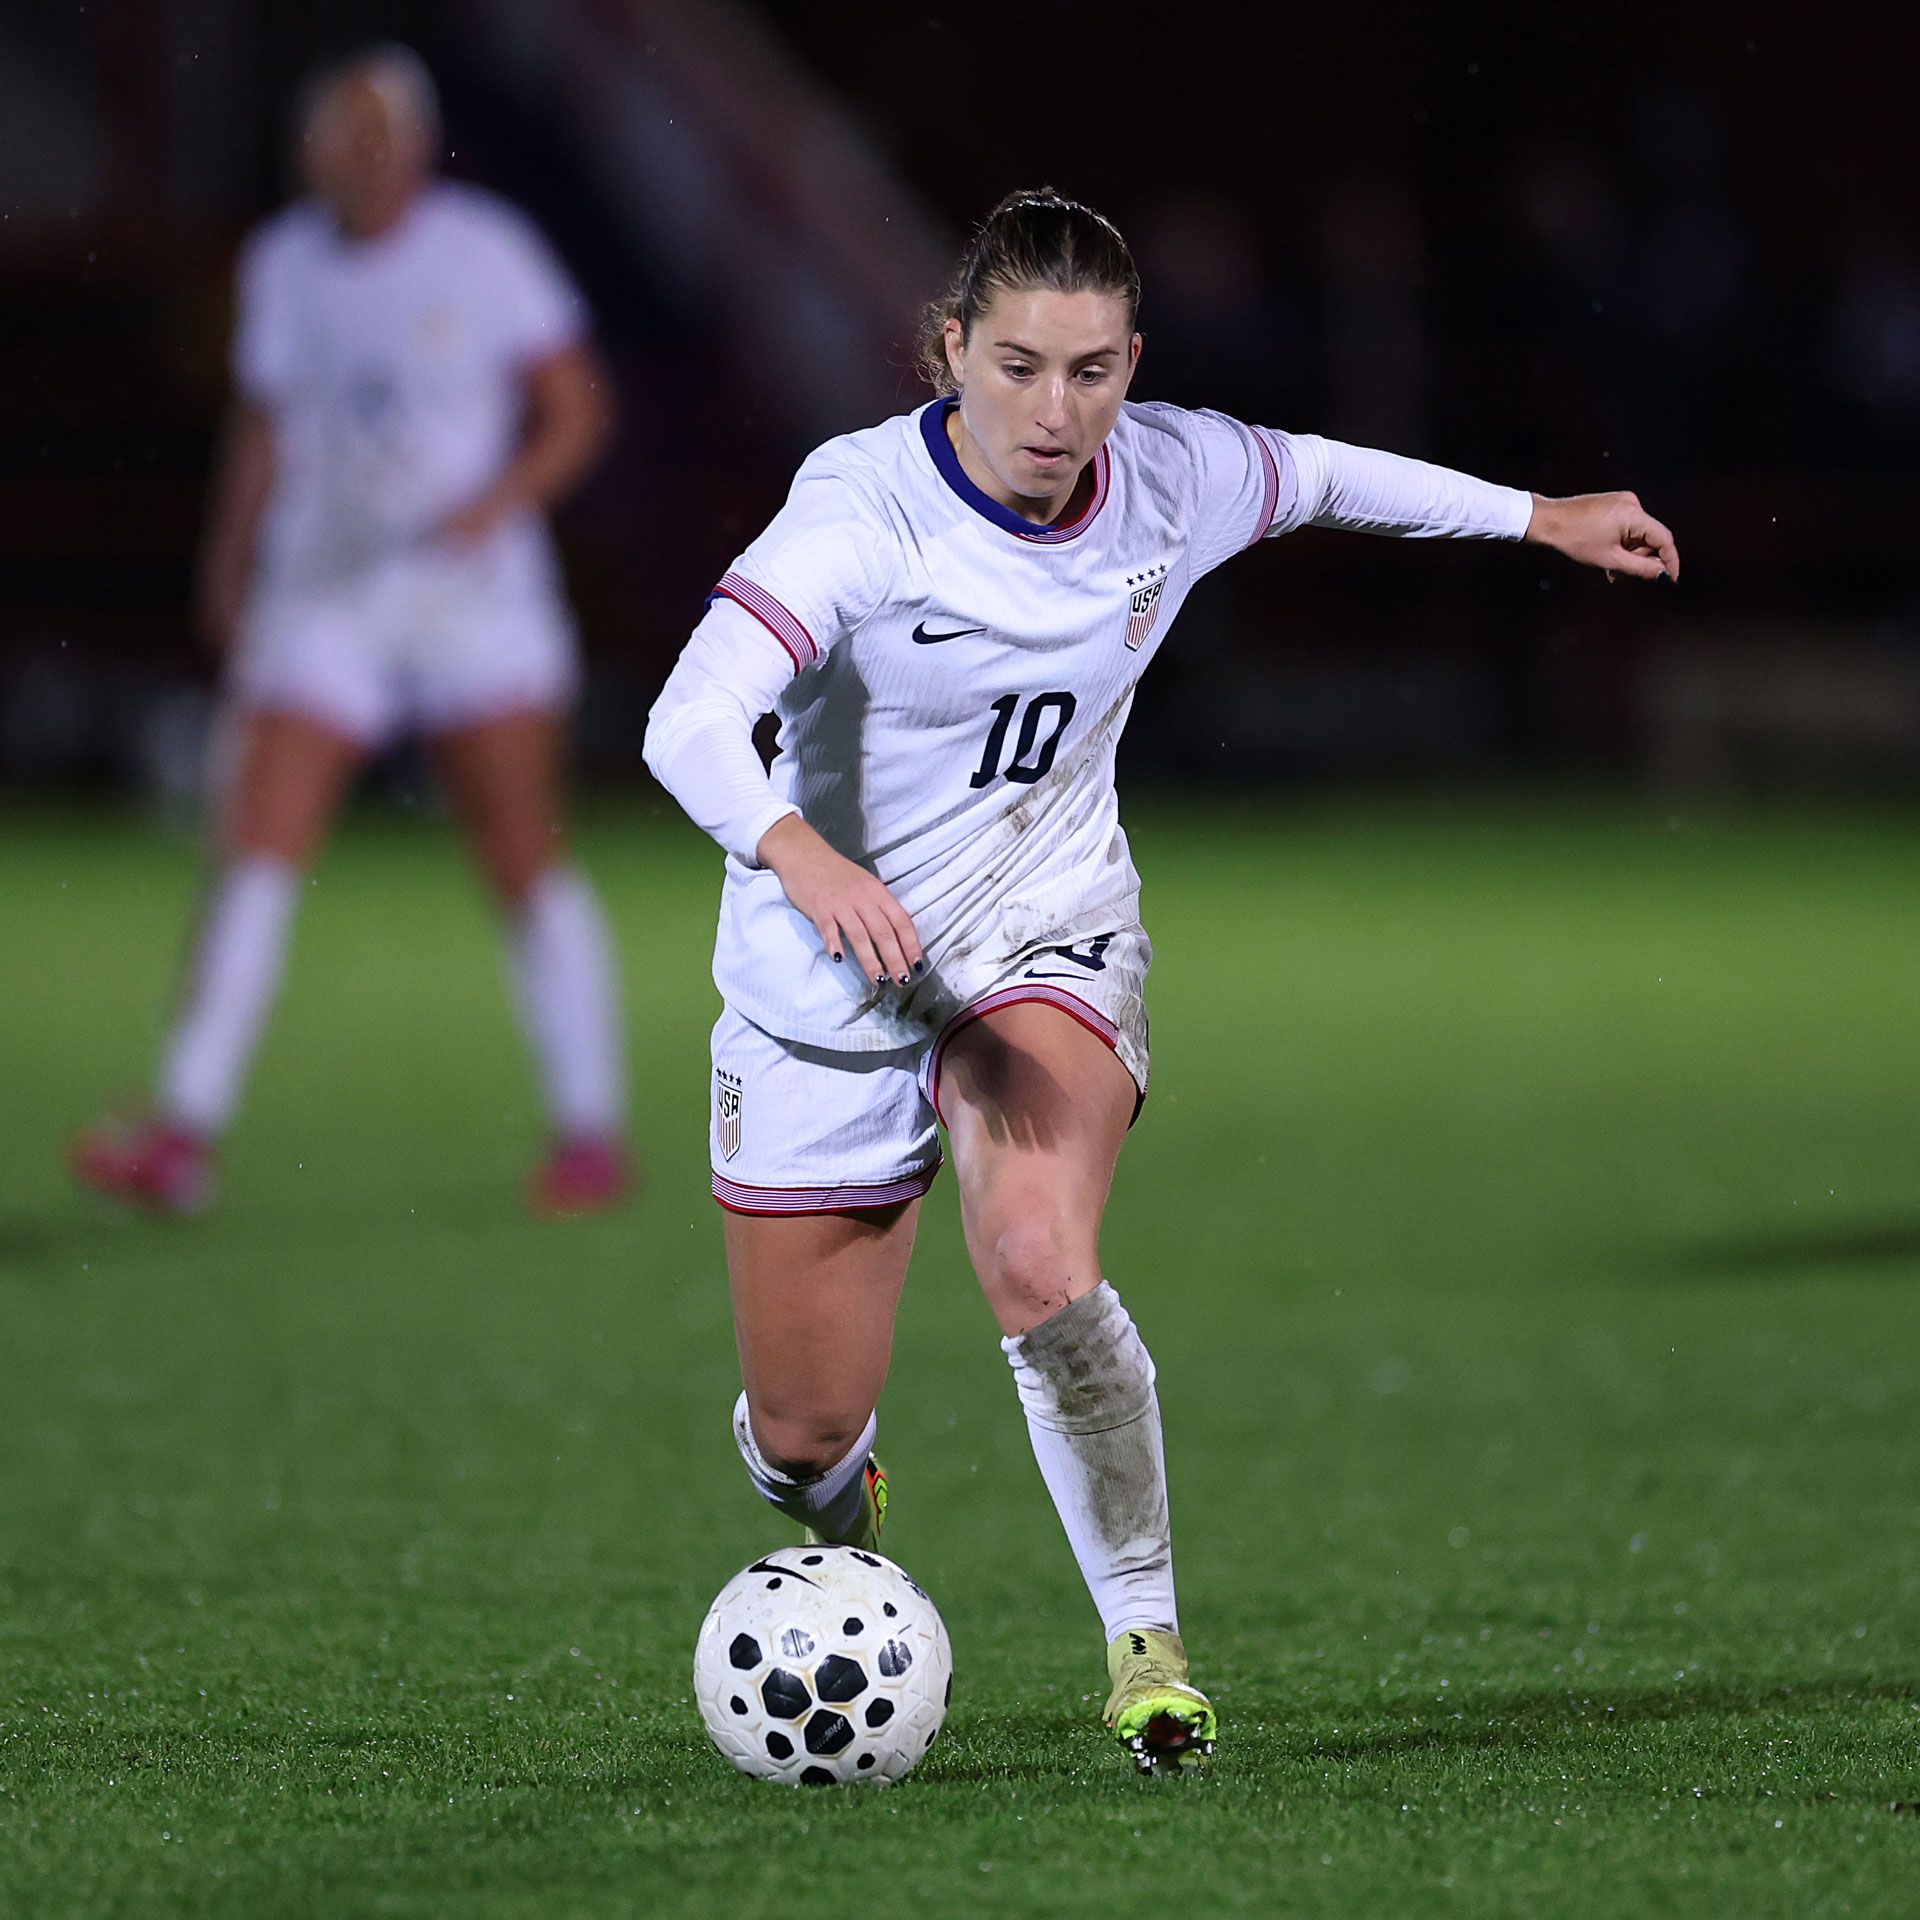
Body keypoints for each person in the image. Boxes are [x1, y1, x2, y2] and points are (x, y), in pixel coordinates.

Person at [642, 188, 1679, 1771]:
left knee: (1039, 1262)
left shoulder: (1171, 476)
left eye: (1094, 370)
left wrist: (1537, 516)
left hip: (1043, 939)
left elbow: (1329, 476)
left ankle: (1147, 1647)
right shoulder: (858, 509)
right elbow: (686, 720)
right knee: (798, 1442)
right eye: (1017, 367)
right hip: (825, 983)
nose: (1057, 413)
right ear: (946, 354)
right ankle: (842, 1518)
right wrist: (801, 850)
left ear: (1136, 361)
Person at [72, 46, 631, 1218]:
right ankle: (184, 1131)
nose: (356, 159)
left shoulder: (485, 252)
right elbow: (266, 428)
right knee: (256, 844)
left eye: (375, 136)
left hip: (469, 594)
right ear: (306, 154)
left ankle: (590, 1127)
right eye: (335, 138)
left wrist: (497, 501)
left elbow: (576, 408)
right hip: (326, 592)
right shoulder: (282, 264)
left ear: (418, 148)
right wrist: (230, 559)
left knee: (519, 849)